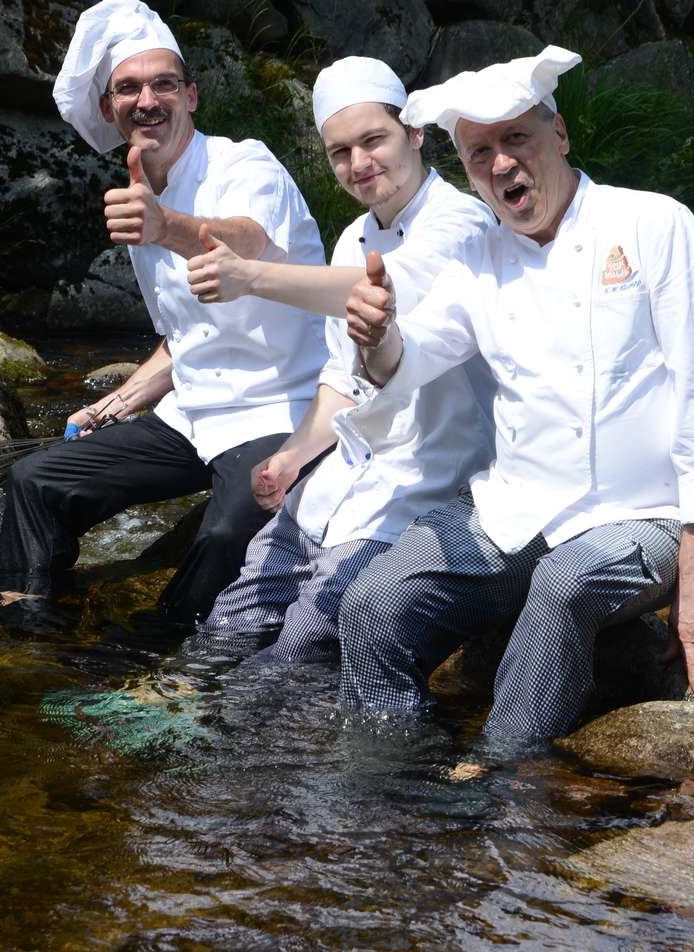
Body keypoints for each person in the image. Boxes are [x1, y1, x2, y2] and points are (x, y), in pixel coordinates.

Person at [340, 46, 694, 742]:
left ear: (558, 135)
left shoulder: (654, 226)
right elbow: (407, 362)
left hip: (644, 516)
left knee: (565, 584)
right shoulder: (478, 257)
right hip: (515, 509)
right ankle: (390, 772)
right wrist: (376, 334)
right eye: (480, 153)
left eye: (516, 140)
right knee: (373, 600)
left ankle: (505, 775)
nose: (501, 164)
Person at [0, 0, 327, 628]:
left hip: (281, 404)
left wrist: (164, 224)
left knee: (227, 534)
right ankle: (25, 629)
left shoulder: (245, 162)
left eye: (164, 84)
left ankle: (161, 655)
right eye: (129, 89)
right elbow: (183, 337)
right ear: (109, 108)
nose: (148, 101)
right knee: (36, 481)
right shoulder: (140, 191)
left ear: (192, 96)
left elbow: (248, 239)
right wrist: (117, 403)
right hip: (192, 411)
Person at [178, 56, 497, 664]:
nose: (359, 163)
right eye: (340, 152)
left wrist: (251, 276)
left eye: (374, 140)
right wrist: (294, 456)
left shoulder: (461, 221)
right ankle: (185, 725)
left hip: (430, 482)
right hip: (343, 480)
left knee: (303, 643)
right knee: (229, 622)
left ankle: (252, 752)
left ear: (415, 134)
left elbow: (379, 290)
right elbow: (341, 374)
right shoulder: (352, 234)